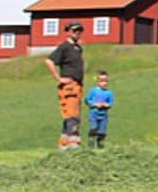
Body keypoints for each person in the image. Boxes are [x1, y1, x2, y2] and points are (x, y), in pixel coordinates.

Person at [44, 21, 85, 149]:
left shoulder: (77, 48)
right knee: (71, 114)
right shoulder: (64, 47)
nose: (77, 33)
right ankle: (72, 143)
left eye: (79, 30)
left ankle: (65, 142)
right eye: (74, 30)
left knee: (74, 114)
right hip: (69, 86)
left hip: (77, 85)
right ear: (68, 31)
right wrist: (58, 78)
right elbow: (49, 61)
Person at [85, 70, 113, 149]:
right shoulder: (93, 91)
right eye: (102, 81)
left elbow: (110, 103)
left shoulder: (109, 93)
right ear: (97, 81)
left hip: (103, 115)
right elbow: (87, 100)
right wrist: (94, 104)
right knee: (93, 128)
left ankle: (100, 144)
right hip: (94, 113)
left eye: (106, 81)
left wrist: (107, 105)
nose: (104, 83)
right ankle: (91, 140)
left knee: (102, 131)